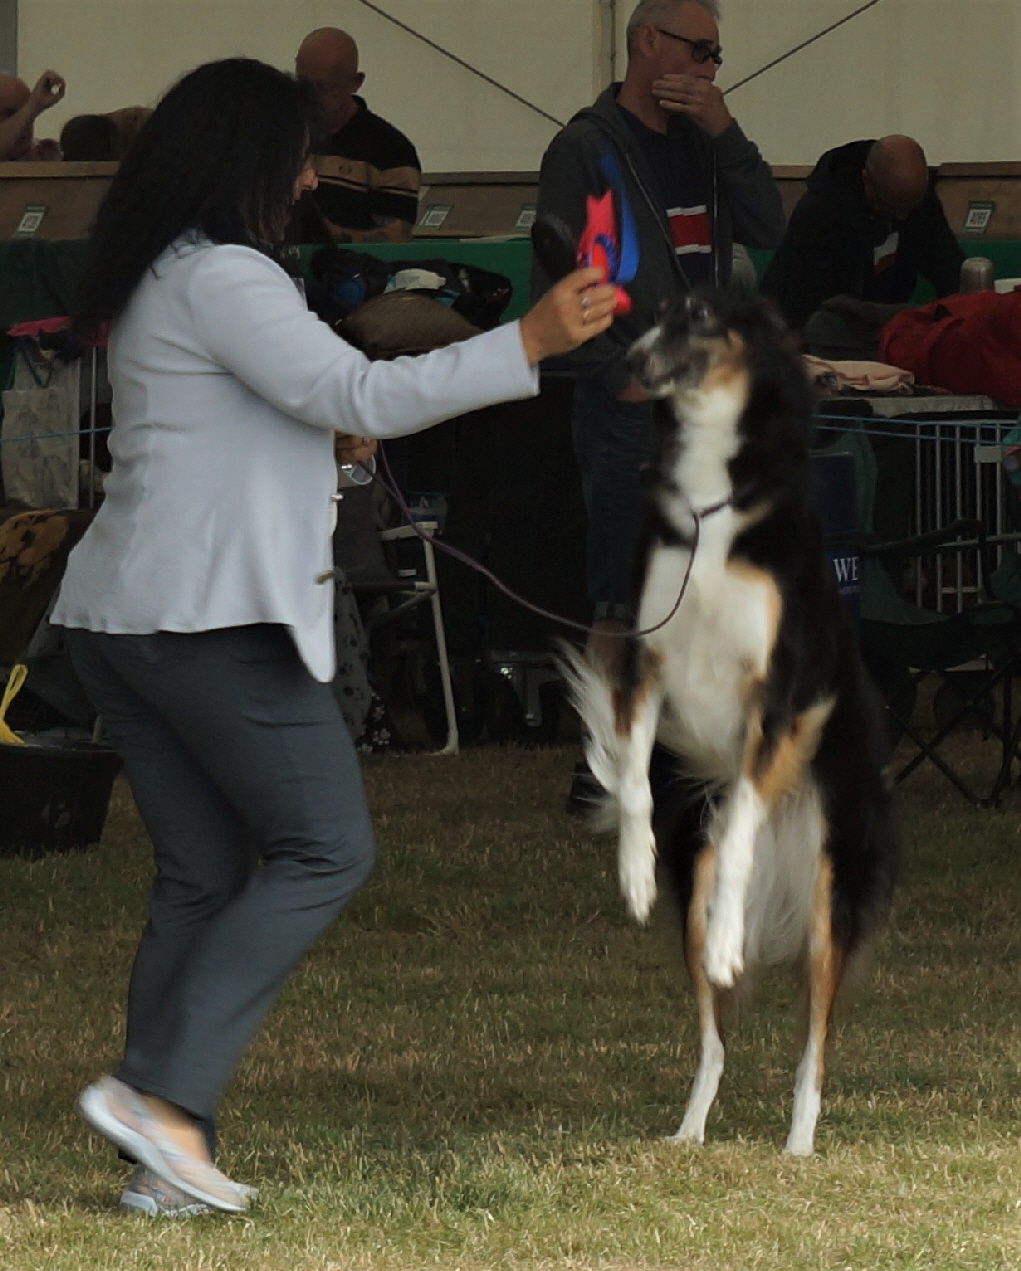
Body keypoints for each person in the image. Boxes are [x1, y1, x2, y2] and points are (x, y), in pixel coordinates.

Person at [56, 56, 615, 1219]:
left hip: (128, 616)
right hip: (210, 618)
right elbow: (356, 392)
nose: (313, 174)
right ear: (245, 163)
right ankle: (160, 1096)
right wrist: (527, 342)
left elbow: (256, 420)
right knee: (326, 847)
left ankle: (164, 1150)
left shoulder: (172, 269)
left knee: (204, 876)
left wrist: (325, 450)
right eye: (297, 155)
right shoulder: (227, 275)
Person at [531, 0, 783, 805]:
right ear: (648, 44)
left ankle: (679, 753)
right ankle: (601, 762)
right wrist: (616, 376)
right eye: (699, 51)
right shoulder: (586, 147)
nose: (710, 68)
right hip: (630, 400)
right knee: (623, 583)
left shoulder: (707, 146)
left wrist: (726, 130)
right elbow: (558, 271)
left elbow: (769, 225)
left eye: (717, 55)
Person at [761, 135, 965, 333]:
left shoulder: (916, 198)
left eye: (911, 208)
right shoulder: (820, 213)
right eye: (892, 207)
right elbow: (803, 306)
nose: (903, 217)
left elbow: (947, 265)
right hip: (812, 328)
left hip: (881, 327)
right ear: (866, 179)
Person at [293, 27, 420, 243]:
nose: (310, 98)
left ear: (355, 83)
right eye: (302, 84)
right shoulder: (280, 135)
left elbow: (396, 239)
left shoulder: (391, 151)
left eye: (322, 88)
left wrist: (329, 236)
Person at [0, 70, 65, 160]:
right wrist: (32, 106)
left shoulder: (47, 154)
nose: (25, 122)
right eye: (10, 114)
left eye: (31, 114)